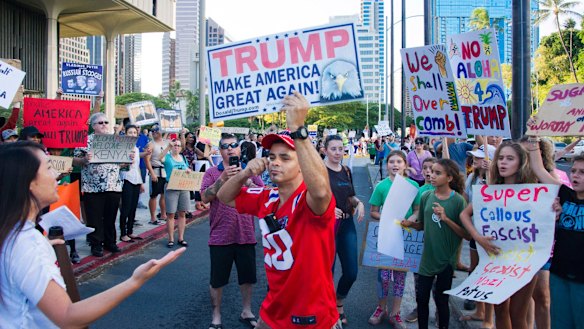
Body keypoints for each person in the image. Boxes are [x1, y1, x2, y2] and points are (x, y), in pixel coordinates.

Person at [0, 141, 185, 328]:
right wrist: (136, 281)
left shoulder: (16, 235)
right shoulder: (27, 244)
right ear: (29, 183)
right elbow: (67, 316)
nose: (56, 175)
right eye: (49, 168)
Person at [216, 92, 341, 329]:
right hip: (272, 314)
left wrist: (298, 128)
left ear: (302, 165)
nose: (275, 162)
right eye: (272, 156)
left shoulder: (309, 201)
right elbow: (224, 196)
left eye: (285, 158)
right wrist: (244, 173)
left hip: (312, 319)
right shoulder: (267, 197)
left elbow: (323, 192)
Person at [459, 142, 538, 329]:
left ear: (521, 163)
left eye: (510, 159)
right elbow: (464, 214)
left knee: (518, 316)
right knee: (500, 311)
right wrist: (477, 238)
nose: (503, 162)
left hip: (523, 261)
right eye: (501, 158)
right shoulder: (489, 190)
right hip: (496, 260)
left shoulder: (533, 191)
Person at [200, 133, 264, 329]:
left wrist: (247, 181)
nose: (230, 149)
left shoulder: (249, 171)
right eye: (225, 146)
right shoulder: (212, 172)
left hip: (245, 233)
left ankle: (246, 311)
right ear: (220, 151)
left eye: (234, 145)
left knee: (247, 277)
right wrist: (222, 179)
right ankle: (216, 316)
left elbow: (264, 196)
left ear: (239, 149)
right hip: (220, 235)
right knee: (217, 279)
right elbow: (204, 197)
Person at [525, 131, 584, 329]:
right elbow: (538, 169)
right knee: (560, 323)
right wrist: (533, 138)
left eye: (582, 172)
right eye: (574, 171)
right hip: (559, 273)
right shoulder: (565, 194)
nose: (575, 175)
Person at [402, 159, 469, 329]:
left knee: (441, 300)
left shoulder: (458, 201)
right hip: (427, 259)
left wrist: (446, 219)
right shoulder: (426, 196)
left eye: (437, 173)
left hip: (446, 260)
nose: (431, 175)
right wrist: (411, 225)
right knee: (422, 298)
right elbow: (423, 225)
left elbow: (466, 234)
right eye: (431, 171)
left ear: (449, 178)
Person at [368, 150, 420, 329]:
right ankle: (381, 308)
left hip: (405, 235)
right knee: (383, 276)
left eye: (399, 161)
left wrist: (410, 220)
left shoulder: (413, 186)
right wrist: (384, 216)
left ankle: (395, 313)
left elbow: (417, 209)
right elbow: (373, 211)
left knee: (400, 276)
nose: (395, 165)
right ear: (386, 164)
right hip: (386, 235)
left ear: (405, 164)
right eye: (392, 162)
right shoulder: (381, 186)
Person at [75, 113, 131, 257]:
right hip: (92, 187)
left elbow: (122, 164)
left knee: (110, 216)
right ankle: (96, 244)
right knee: (94, 217)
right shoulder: (86, 141)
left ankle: (110, 242)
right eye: (100, 123)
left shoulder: (117, 140)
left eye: (106, 122)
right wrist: (84, 160)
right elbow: (75, 160)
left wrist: (128, 159)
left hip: (113, 185)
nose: (104, 125)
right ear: (93, 126)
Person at [323, 134, 365, 326]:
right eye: (333, 149)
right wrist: (328, 208)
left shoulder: (346, 170)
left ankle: (339, 301)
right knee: (326, 272)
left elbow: (351, 196)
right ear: (325, 150)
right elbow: (310, 197)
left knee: (351, 272)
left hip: (347, 225)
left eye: (341, 149)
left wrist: (359, 203)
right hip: (326, 226)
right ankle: (328, 308)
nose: (338, 153)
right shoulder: (320, 172)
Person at [458, 144, 496, 329]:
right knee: (475, 271)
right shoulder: (472, 177)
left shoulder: (497, 179)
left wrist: (492, 177)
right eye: (475, 157)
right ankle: (479, 310)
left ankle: (489, 318)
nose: (476, 159)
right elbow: (464, 198)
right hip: (475, 229)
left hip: (492, 233)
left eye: (480, 157)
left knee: (488, 272)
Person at [159, 138, 191, 247]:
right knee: (171, 213)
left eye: (178, 145)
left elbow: (188, 169)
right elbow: (159, 158)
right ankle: (171, 238)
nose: (176, 147)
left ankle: (181, 238)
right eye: (174, 145)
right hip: (171, 187)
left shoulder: (182, 158)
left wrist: (188, 171)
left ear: (181, 148)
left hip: (183, 187)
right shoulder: (168, 158)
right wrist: (168, 146)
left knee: (182, 213)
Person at [118, 125, 144, 243]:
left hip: (136, 179)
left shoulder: (137, 149)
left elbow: (137, 166)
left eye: (134, 132)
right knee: (126, 207)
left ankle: (130, 231)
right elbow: (119, 165)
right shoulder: (122, 146)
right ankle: (123, 233)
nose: (133, 135)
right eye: (130, 132)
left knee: (133, 207)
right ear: (125, 133)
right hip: (126, 179)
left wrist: (141, 182)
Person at [145, 124, 168, 225]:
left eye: (156, 130)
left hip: (165, 172)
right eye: (152, 130)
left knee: (164, 194)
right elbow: (147, 160)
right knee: (154, 195)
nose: (154, 132)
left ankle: (163, 214)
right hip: (156, 171)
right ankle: (153, 217)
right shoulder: (151, 144)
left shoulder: (166, 143)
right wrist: (152, 173)